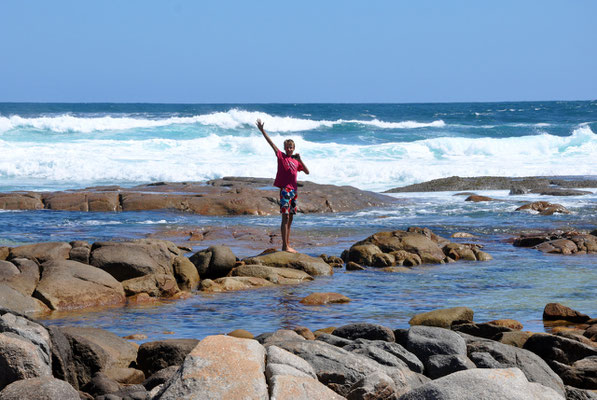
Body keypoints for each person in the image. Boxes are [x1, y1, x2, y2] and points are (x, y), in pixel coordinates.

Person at [256, 118, 309, 253]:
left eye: (291, 147)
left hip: (294, 191)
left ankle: (287, 244)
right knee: (285, 217)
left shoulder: (296, 162)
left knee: (290, 218)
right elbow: (271, 144)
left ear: (294, 149)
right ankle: (284, 246)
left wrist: (300, 159)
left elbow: (307, 172)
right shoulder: (281, 156)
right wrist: (262, 131)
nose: (289, 149)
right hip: (285, 190)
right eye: (287, 147)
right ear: (285, 148)